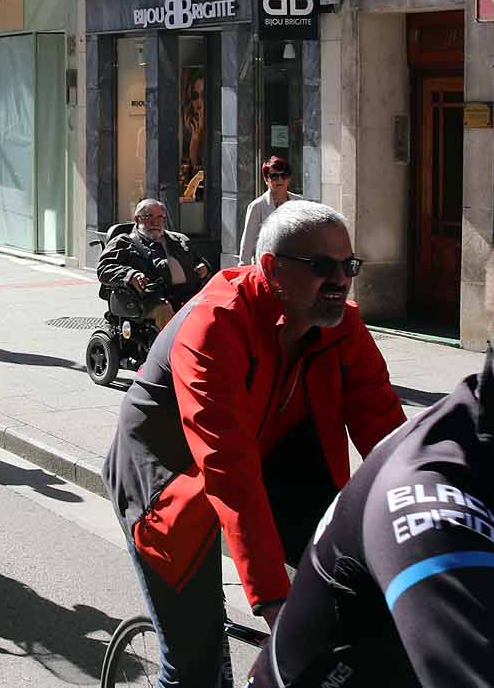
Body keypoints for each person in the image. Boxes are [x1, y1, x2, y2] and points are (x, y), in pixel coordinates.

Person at [252, 193, 494, 688]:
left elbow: (375, 407)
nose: (338, 280)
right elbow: (224, 457)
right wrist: (266, 590)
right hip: (193, 484)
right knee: (189, 642)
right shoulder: (435, 501)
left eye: (346, 266)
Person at [103, 199, 405, 688]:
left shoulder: (339, 323)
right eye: (321, 267)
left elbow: (386, 429)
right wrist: (274, 604)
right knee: (195, 669)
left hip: (270, 459)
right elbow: (228, 468)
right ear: (271, 269)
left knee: (357, 610)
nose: (340, 280)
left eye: (347, 266)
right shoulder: (214, 325)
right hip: (169, 477)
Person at [98, 199, 211, 318]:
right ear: (137, 219)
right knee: (165, 311)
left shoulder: (181, 240)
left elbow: (200, 261)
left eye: (160, 218)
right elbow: (104, 268)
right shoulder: (124, 242)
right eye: (149, 217)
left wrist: (204, 268)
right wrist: (130, 275)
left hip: (188, 296)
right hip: (149, 300)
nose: (155, 222)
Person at [238, 155, 302, 263]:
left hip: (293, 269)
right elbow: (247, 246)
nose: (280, 180)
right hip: (266, 269)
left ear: (289, 178)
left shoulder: (299, 203)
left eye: (283, 175)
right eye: (274, 176)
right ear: (266, 179)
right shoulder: (257, 207)